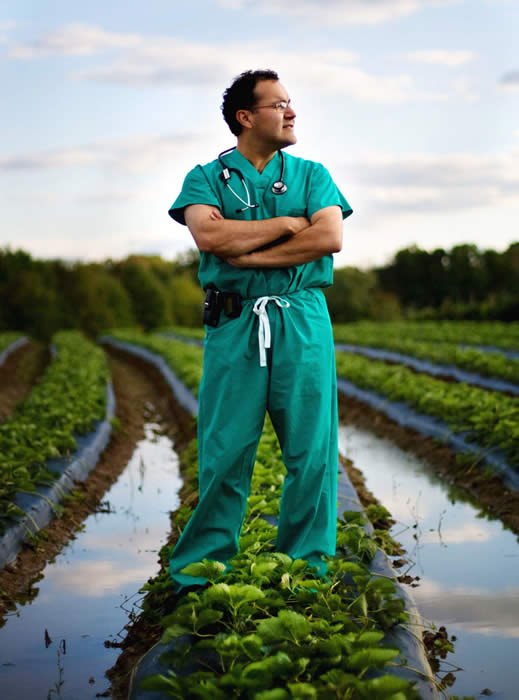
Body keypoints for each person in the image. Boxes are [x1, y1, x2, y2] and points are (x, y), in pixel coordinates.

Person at [168, 69, 352, 592]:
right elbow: (209, 234)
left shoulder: (313, 174)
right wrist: (288, 225)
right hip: (234, 321)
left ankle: (306, 570)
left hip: (301, 318)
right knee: (225, 450)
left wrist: (247, 250)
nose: (291, 112)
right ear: (245, 117)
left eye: (290, 103)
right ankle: (201, 574)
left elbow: (330, 236)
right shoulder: (206, 178)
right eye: (279, 104)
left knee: (311, 452)